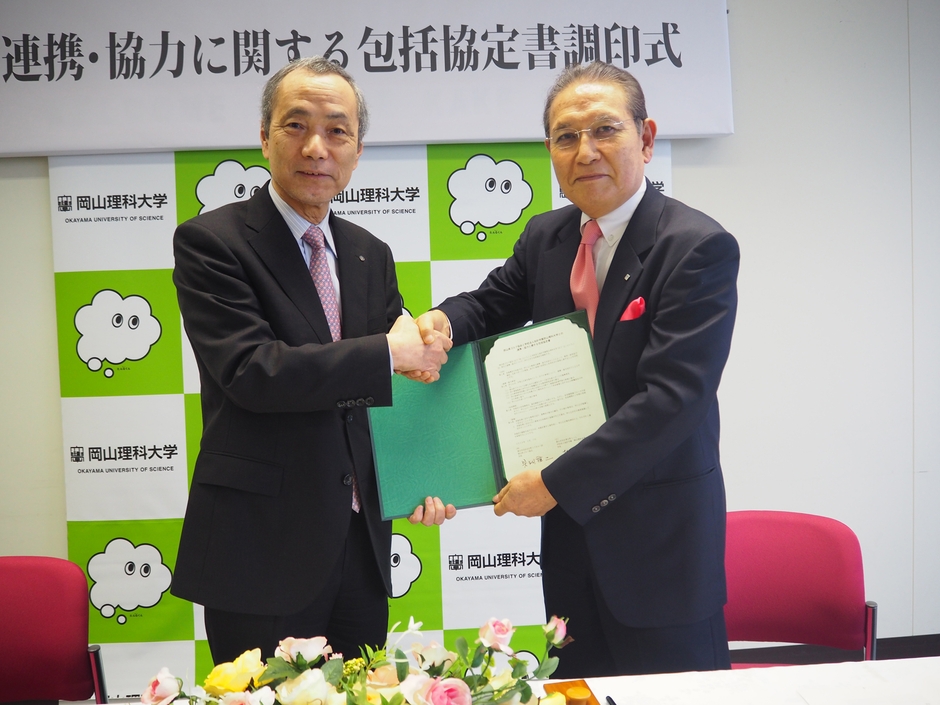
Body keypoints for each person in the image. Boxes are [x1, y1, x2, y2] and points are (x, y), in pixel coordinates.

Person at [414, 61, 739, 676]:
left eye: (605, 130)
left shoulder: (695, 247)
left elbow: (671, 401)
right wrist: (441, 323)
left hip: (660, 548)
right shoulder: (548, 236)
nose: (585, 151)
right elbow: (491, 303)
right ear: (550, 152)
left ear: (645, 138)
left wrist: (555, 483)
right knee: (578, 687)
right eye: (566, 136)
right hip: (570, 545)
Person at [170, 56, 454, 665]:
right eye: (296, 125)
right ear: (265, 137)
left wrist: (429, 474)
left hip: (361, 547)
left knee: (364, 696)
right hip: (261, 548)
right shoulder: (212, 242)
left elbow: (397, 384)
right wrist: (390, 351)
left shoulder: (369, 253)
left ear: (357, 151)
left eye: (337, 131)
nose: (316, 147)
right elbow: (253, 370)